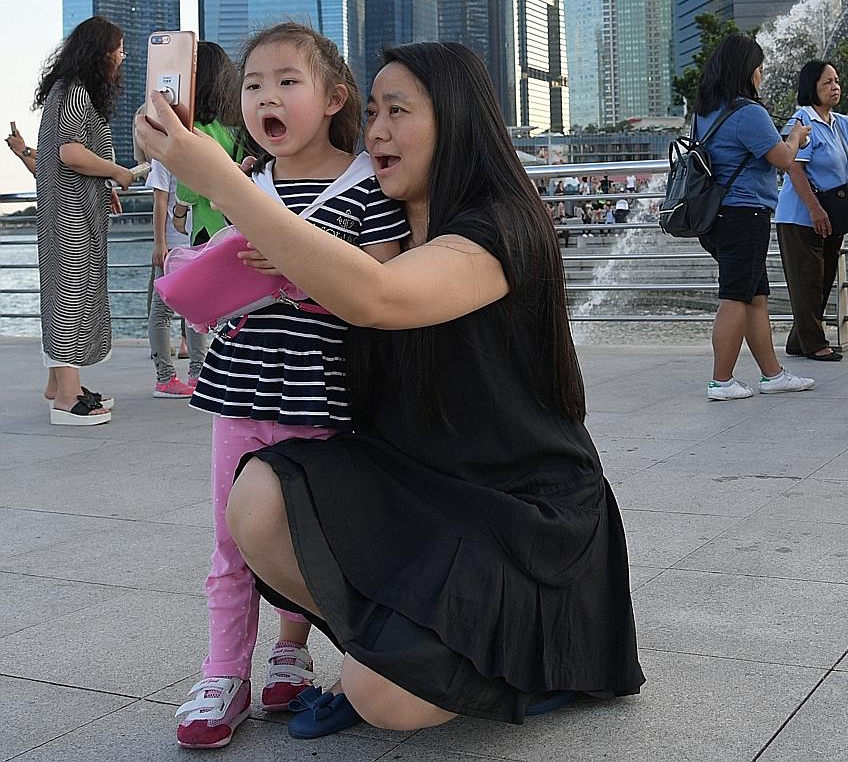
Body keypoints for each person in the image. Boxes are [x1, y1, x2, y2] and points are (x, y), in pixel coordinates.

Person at [139, 39, 645, 735]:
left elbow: (377, 297)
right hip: (419, 489)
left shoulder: (501, 228)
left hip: (519, 515)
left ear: (457, 121)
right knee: (256, 499)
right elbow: (307, 253)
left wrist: (217, 178)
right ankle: (404, 644)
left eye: (398, 111)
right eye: (371, 110)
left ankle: (523, 663)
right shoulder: (369, 214)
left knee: (385, 698)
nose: (376, 130)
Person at [168, 23, 409, 749]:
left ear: (335, 97)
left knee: (307, 532)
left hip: (324, 389)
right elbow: (217, 260)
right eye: (252, 85)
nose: (265, 96)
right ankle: (221, 673)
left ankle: (291, 649)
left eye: (286, 82)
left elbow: (386, 291)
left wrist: (306, 271)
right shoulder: (245, 183)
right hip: (240, 383)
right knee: (230, 536)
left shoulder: (368, 185)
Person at [691, 33, 816, 400]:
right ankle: (721, 381)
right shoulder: (748, 112)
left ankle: (772, 374)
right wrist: (796, 136)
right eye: (759, 67)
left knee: (755, 296)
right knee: (735, 297)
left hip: (719, 216)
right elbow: (783, 158)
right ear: (746, 70)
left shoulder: (705, 111)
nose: (762, 73)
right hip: (745, 214)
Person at [34, 16, 135, 425]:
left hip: (66, 208)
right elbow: (71, 153)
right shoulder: (76, 92)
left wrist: (103, 184)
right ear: (100, 51)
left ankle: (60, 385)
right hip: (70, 215)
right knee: (72, 296)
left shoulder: (65, 89)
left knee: (64, 291)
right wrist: (116, 172)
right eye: (119, 48)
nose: (122, 55)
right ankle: (66, 399)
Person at [774, 59, 848, 363]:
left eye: (837, 81)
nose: (835, 87)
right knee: (807, 279)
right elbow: (794, 169)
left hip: (831, 214)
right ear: (811, 86)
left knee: (822, 279)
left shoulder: (840, 122)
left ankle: (800, 340)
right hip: (801, 215)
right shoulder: (802, 121)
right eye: (827, 82)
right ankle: (813, 343)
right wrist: (814, 209)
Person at [174, 42, 248, 246]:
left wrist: (179, 211)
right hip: (244, 221)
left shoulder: (194, 126)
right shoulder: (241, 120)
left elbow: (190, 177)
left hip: (209, 224)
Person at [147, 149, 202, 398]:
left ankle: (198, 373)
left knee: (198, 309)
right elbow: (160, 199)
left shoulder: (195, 147)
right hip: (172, 244)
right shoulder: (163, 153)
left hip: (197, 239)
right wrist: (159, 242)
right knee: (162, 310)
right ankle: (165, 377)